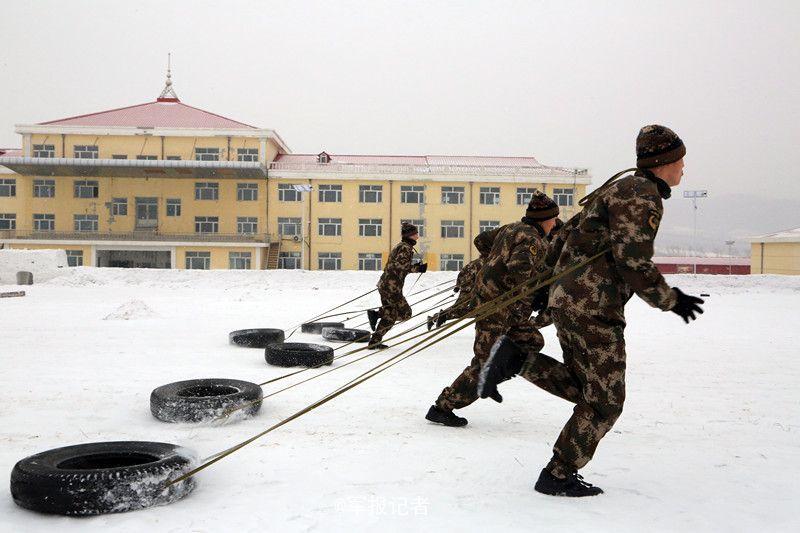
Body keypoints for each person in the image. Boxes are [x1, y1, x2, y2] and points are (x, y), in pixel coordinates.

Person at [478, 125, 705, 497]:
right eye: (680, 160)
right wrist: (671, 299)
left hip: (571, 301)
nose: (683, 168)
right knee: (605, 401)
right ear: (663, 162)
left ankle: (521, 361)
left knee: (588, 390)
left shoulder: (617, 188)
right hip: (593, 308)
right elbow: (632, 259)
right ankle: (558, 473)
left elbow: (564, 236)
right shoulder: (641, 195)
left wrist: (544, 288)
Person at [425, 191, 560, 427]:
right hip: (497, 307)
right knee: (485, 363)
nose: (555, 223)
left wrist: (493, 262)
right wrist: (538, 291)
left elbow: (481, 241)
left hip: (507, 308)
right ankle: (443, 407)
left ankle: (496, 372)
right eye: (553, 219)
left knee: (531, 342)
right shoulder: (533, 241)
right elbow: (520, 271)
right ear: (543, 219)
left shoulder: (510, 228)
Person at [367, 222, 427, 350]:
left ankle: (374, 341)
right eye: (415, 234)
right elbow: (399, 266)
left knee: (391, 315)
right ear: (410, 235)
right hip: (391, 288)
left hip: (386, 285)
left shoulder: (402, 246)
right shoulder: (405, 247)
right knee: (406, 313)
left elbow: (398, 264)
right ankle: (377, 314)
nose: (417, 236)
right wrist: (418, 268)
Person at [426, 231, 494, 331]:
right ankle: (443, 316)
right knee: (467, 308)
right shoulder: (487, 263)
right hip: (471, 287)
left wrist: (458, 285)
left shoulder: (476, 262)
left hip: (468, 284)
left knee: (463, 307)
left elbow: (463, 272)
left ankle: (437, 317)